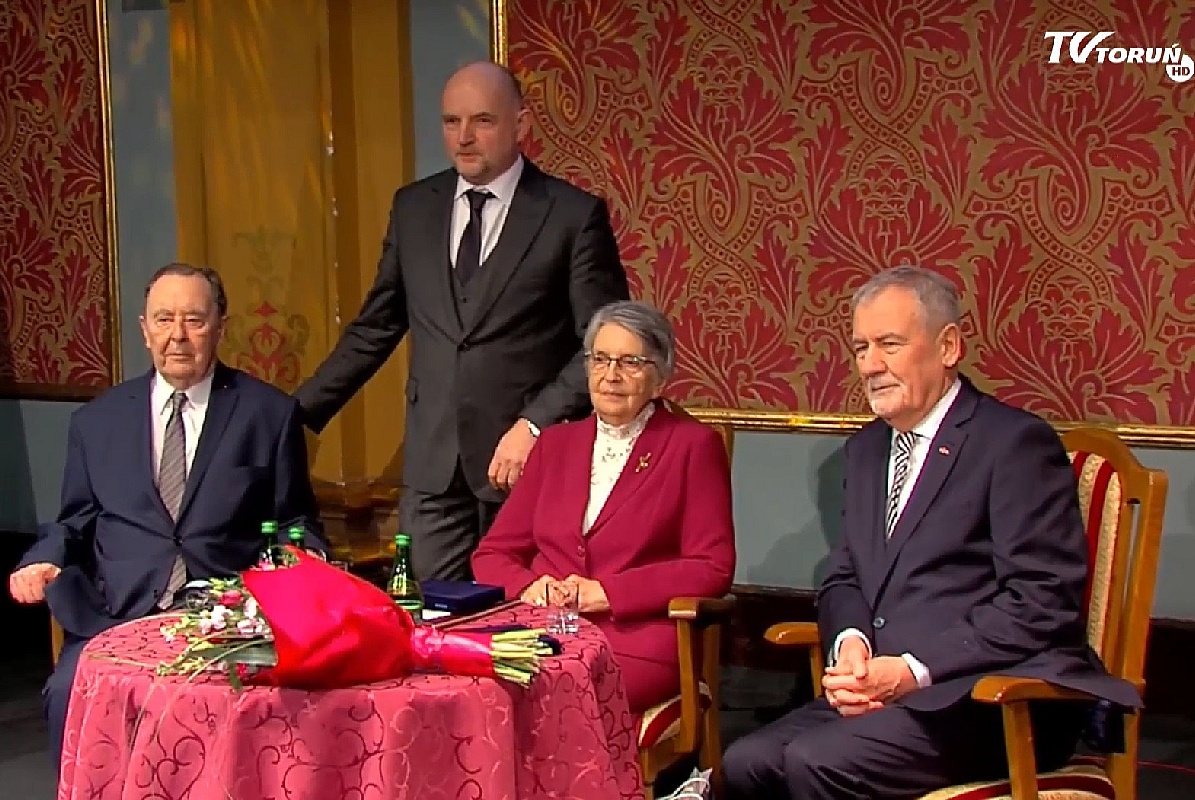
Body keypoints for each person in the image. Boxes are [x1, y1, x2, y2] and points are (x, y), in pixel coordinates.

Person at [722, 266, 1140, 799]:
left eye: (889, 344)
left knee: (816, 762)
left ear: (948, 346)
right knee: (746, 763)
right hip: (888, 695)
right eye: (860, 349)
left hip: (991, 695)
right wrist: (850, 645)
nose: (870, 365)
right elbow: (847, 573)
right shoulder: (867, 450)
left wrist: (913, 671)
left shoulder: (1012, 444)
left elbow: (1041, 601)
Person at [293, 61, 630, 582]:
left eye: (482, 121)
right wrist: (292, 415)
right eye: (451, 122)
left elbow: (602, 344)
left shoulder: (571, 214)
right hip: (432, 469)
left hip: (525, 464)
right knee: (428, 622)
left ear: (521, 126)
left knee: (520, 632)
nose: (464, 138)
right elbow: (375, 327)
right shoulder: (413, 208)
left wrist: (534, 424)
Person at [7, 263, 326, 769]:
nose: (177, 336)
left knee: (266, 711)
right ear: (144, 328)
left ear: (221, 326)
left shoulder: (267, 413)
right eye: (164, 319)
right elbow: (72, 522)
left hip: (225, 625)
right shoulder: (97, 421)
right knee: (68, 692)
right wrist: (41, 561)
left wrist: (304, 558)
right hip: (118, 619)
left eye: (194, 320)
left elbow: (295, 523)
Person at [471, 300, 736, 713]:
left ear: (659, 377)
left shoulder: (693, 446)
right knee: (475, 691)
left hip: (633, 639)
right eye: (601, 359)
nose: (611, 376)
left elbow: (712, 566)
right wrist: (529, 587)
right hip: (539, 628)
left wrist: (607, 593)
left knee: (553, 692)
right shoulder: (555, 446)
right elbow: (492, 554)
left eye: (630, 362)